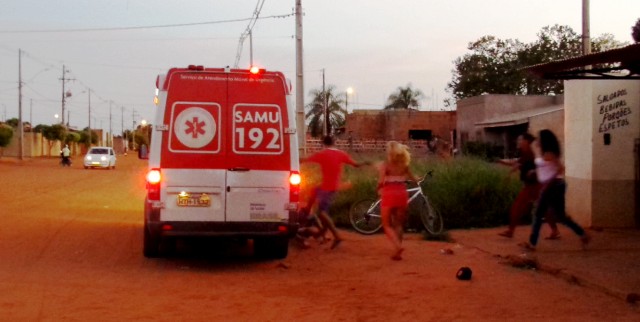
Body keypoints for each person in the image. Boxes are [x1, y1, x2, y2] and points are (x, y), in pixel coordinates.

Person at [520, 129, 590, 251]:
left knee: (539, 214)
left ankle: (532, 243)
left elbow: (560, 168)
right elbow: (547, 168)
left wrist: (549, 182)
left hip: (554, 186)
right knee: (560, 216)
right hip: (554, 186)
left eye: (539, 138)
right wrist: (535, 172)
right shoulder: (545, 154)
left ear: (544, 141)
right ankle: (582, 234)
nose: (537, 141)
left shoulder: (549, 154)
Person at [302, 135, 367, 249]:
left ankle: (336, 236)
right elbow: (356, 164)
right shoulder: (341, 154)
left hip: (327, 187)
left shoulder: (322, 154)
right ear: (334, 142)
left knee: (322, 212)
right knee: (315, 192)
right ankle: (319, 230)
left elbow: (305, 160)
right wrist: (366, 163)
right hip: (333, 187)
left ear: (323, 143)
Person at [498, 133, 558, 239]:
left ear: (526, 142)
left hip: (533, 186)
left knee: (517, 207)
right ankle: (554, 230)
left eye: (520, 140)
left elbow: (521, 165)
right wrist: (501, 162)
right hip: (533, 186)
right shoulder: (525, 153)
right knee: (542, 208)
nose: (518, 142)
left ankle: (511, 231)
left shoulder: (529, 153)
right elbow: (517, 163)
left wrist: (514, 170)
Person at [377, 141, 419, 260]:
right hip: (402, 194)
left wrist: (378, 189)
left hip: (389, 194)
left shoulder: (385, 165)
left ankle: (397, 246)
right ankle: (397, 252)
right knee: (399, 224)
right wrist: (419, 178)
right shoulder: (405, 166)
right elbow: (414, 179)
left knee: (386, 225)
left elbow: (380, 181)